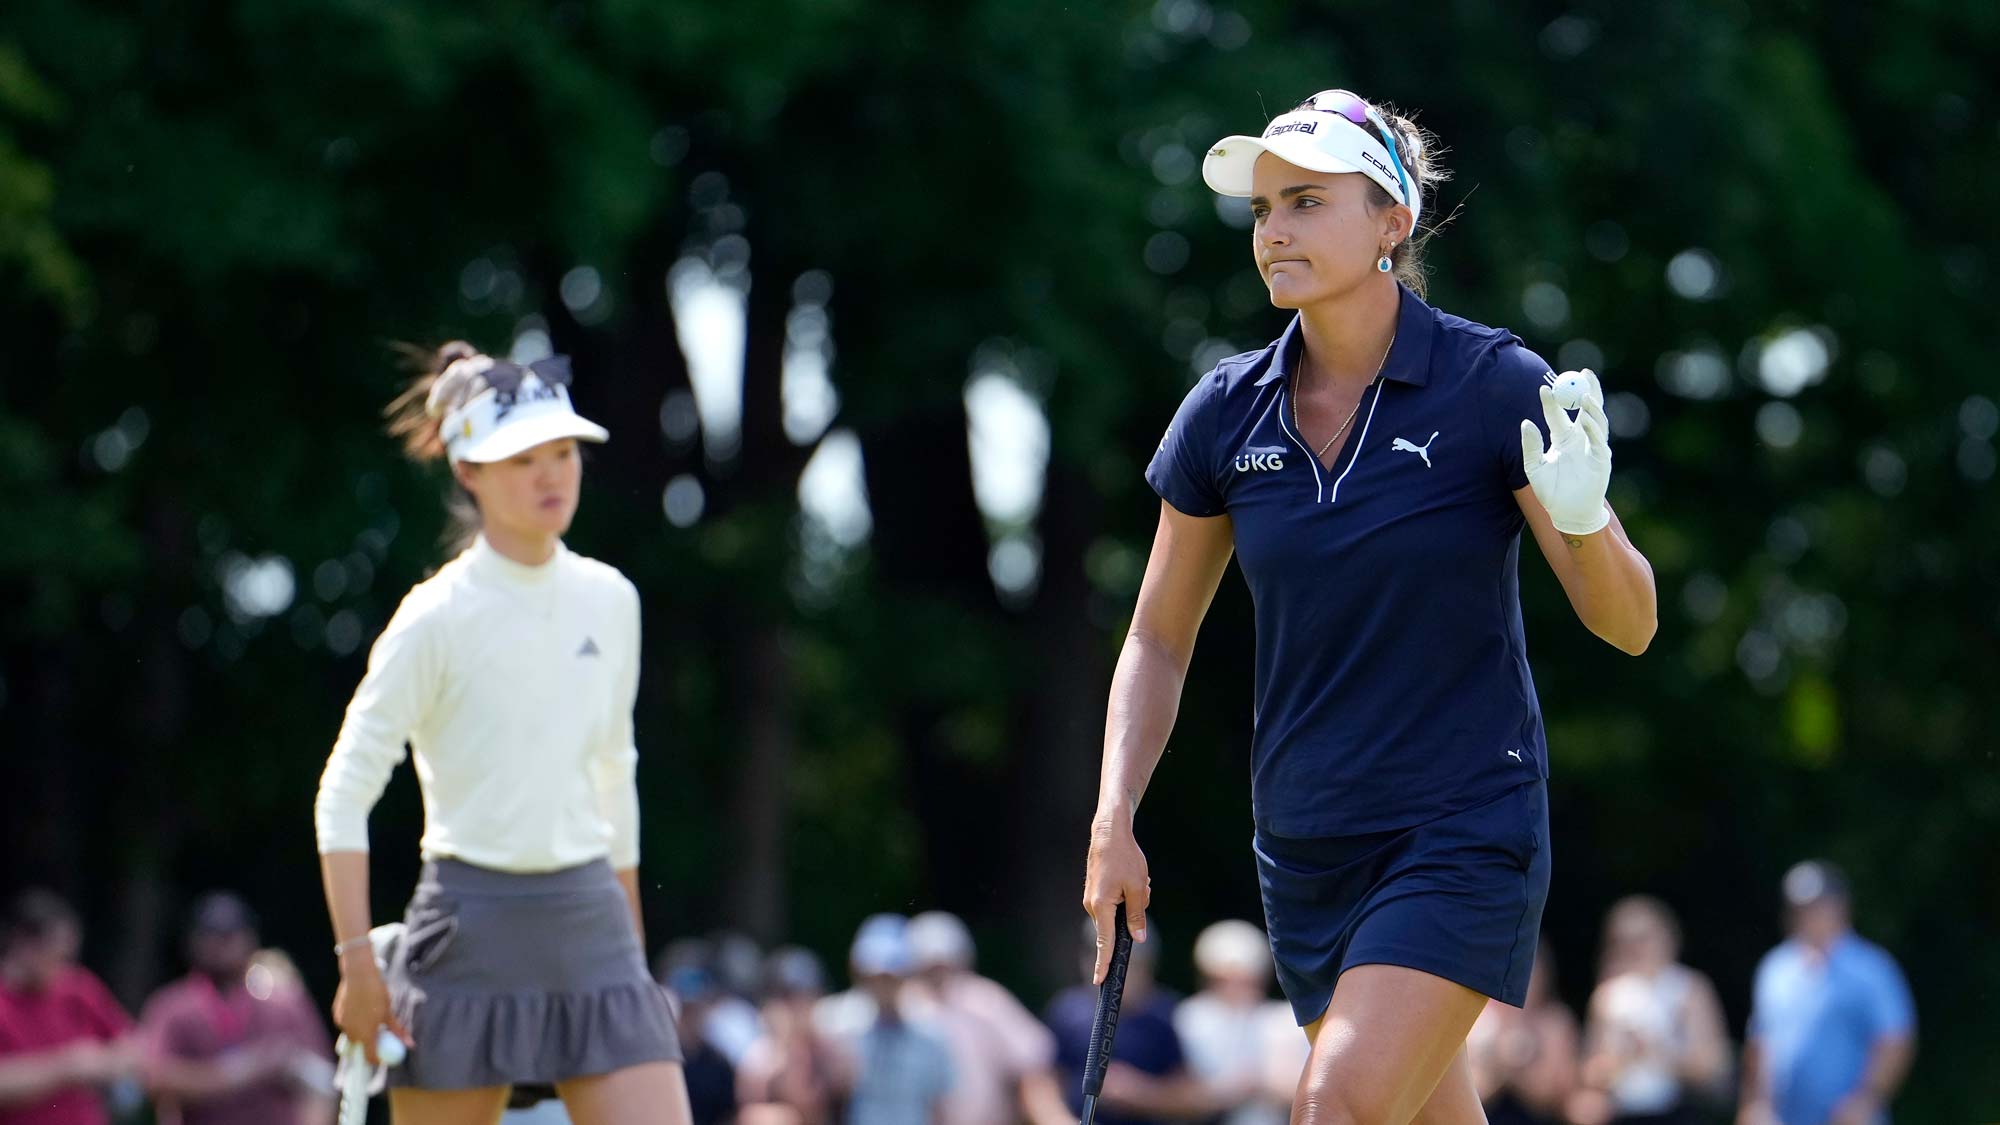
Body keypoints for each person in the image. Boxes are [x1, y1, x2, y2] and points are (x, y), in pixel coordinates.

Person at [1082, 87, 1659, 1125]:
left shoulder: (1488, 382)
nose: (1273, 232)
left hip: (1459, 828)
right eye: (1262, 209)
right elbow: (1157, 639)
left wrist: (1584, 522)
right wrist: (1112, 814)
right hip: (1306, 846)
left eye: (1304, 201)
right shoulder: (1222, 413)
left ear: (1391, 221)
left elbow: (1627, 624)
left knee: (1334, 1107)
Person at [313, 342, 691, 1125]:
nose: (552, 474)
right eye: (522, 459)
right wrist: (356, 964)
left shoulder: (611, 599)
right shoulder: (435, 617)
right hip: (467, 929)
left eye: (562, 452)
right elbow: (344, 790)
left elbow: (612, 772)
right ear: (468, 472)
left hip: (592, 924)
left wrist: (632, 951)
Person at [1738, 862, 1914, 1125]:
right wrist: (1754, 1104)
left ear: (1841, 906)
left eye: (1818, 905)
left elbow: (1895, 1041)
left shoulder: (1871, 968)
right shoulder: (1775, 967)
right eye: (1801, 908)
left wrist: (1866, 1100)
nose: (1809, 915)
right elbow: (1760, 1042)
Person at [139, 892, 335, 1125]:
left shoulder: (284, 1003)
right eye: (212, 935)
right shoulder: (172, 1006)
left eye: (231, 935)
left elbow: (324, 1083)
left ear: (251, 939)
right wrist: (242, 1071)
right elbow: (156, 1080)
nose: (222, 945)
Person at [1045, 922, 1235, 1125]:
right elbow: (1043, 1082)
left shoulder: (1166, 1016)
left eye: (1133, 963)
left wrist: (1143, 1094)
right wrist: (1060, 1120)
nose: (1123, 974)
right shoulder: (1067, 1011)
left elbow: (1192, 1096)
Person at [1572, 896, 1730, 1125]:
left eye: (1643, 938)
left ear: (1668, 936)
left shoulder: (1690, 989)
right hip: (1624, 1114)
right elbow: (1590, 1071)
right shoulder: (1608, 995)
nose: (1636, 948)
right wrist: (1620, 1059)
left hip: (1679, 1111)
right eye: (1625, 940)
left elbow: (1713, 1064)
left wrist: (1660, 1053)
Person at [902, 911, 1069, 1125]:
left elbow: (1032, 1069)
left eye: (943, 966)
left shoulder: (984, 1001)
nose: (939, 976)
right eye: (930, 968)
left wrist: (1055, 1119)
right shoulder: (898, 1009)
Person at [0, 890, 138, 1125]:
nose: (64, 967)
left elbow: (134, 1045)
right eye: (57, 956)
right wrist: (68, 1066)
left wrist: (108, 1064)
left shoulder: (78, 987)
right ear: (23, 944)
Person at [816, 915, 951, 1125]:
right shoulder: (832, 1022)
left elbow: (940, 1107)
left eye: (890, 976)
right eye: (875, 975)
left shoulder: (931, 1031)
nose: (882, 984)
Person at [1171, 920, 1300, 1125]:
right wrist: (1231, 1091)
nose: (1238, 988)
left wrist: (1260, 1084)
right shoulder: (1190, 1017)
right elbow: (1178, 1090)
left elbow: (1305, 1089)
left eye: (1248, 979)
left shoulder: (1284, 1019)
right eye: (1227, 979)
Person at [1465, 942, 1579, 1125]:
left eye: (1529, 970)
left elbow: (1553, 1095)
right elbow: (1471, 1093)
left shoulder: (1554, 1021)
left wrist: (1516, 1062)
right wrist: (1500, 1060)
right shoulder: (1475, 1021)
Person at [737, 947, 843, 1125]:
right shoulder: (760, 1054)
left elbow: (844, 1084)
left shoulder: (829, 1047)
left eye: (806, 995)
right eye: (788, 997)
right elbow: (750, 1111)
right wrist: (785, 1050)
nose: (798, 1005)